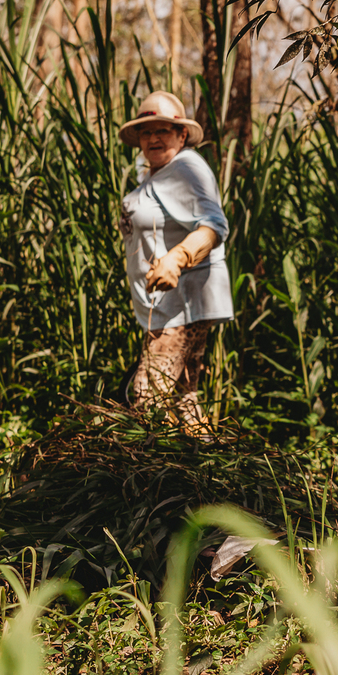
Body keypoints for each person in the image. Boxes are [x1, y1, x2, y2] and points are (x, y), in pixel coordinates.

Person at [117, 91, 233, 430]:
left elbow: (215, 224)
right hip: (164, 308)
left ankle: (142, 477)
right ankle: (207, 469)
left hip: (184, 306)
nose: (153, 138)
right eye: (146, 131)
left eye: (163, 130)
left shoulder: (186, 167)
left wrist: (177, 259)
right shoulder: (155, 174)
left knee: (146, 398)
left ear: (181, 135)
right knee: (185, 400)